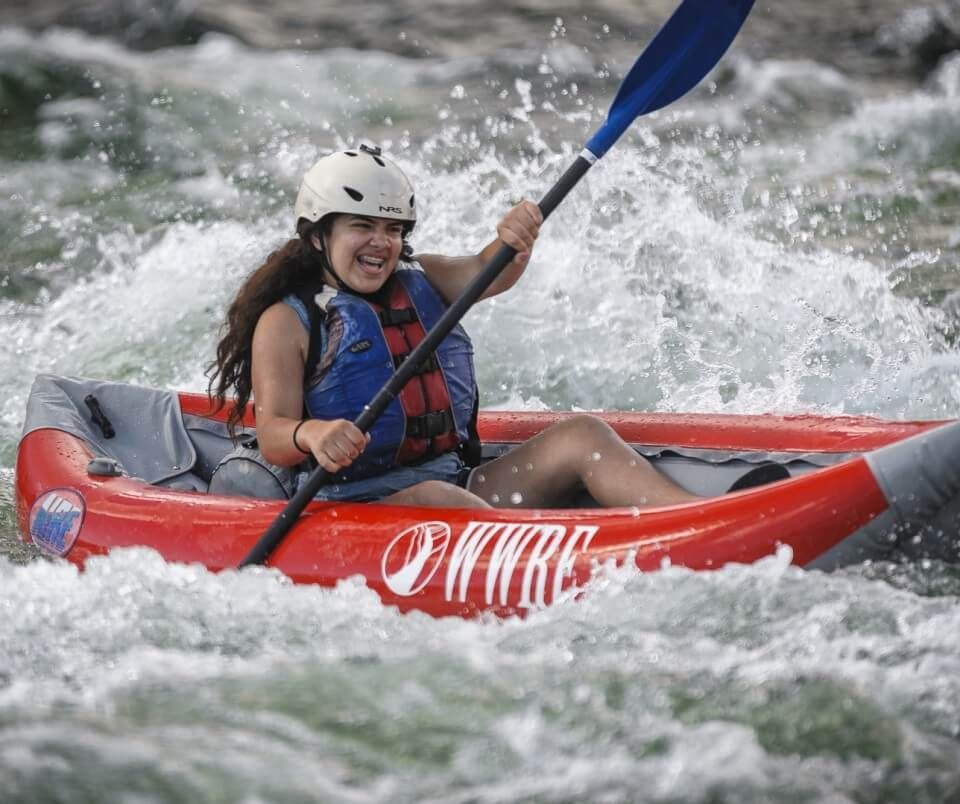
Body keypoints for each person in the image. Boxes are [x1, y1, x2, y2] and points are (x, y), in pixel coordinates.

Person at [207, 144, 708, 509]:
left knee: (582, 435)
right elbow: (272, 435)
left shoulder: (422, 277)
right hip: (354, 505)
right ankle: (564, 560)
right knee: (438, 497)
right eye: (362, 226)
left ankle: (695, 515)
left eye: (393, 229)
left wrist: (515, 239)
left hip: (460, 483)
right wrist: (313, 434)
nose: (381, 243)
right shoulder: (287, 321)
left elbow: (491, 269)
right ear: (318, 236)